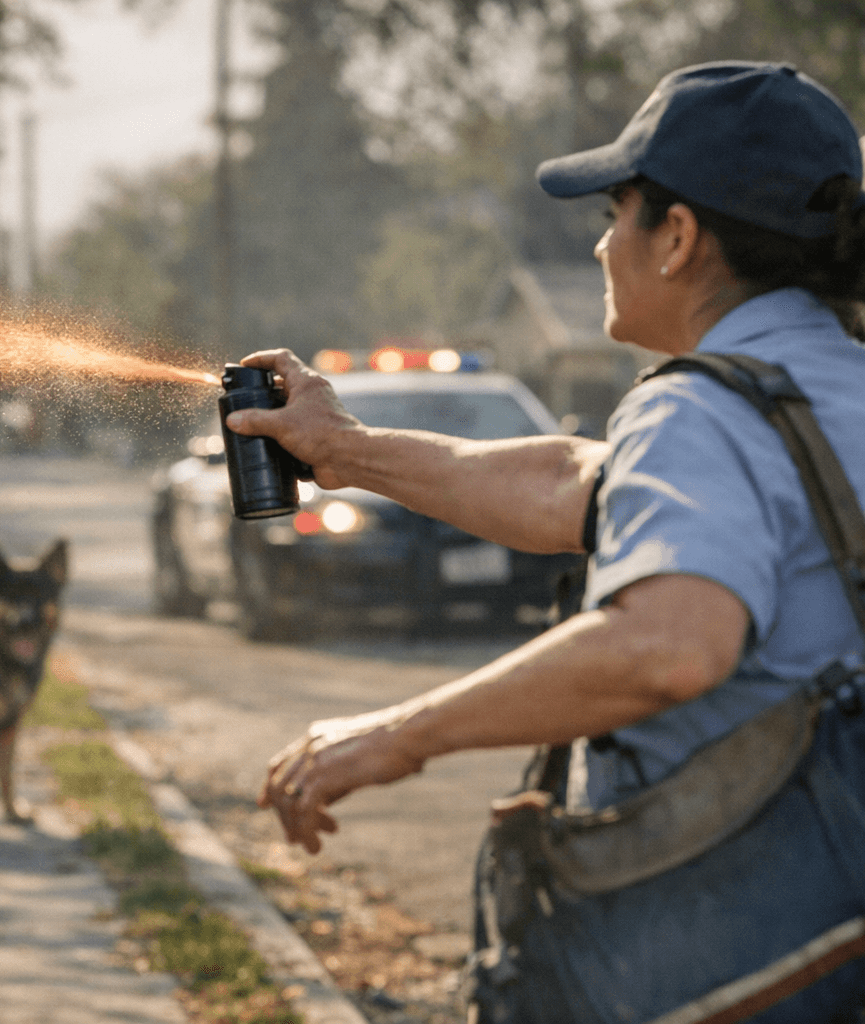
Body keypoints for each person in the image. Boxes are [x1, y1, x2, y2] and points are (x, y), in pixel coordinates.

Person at [231, 62, 865, 1021]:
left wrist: (396, 738)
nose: (605, 245)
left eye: (616, 213)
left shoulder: (701, 408)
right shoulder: (821, 394)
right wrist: (345, 450)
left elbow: (670, 645)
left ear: (679, 237)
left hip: (735, 965)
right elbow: (576, 483)